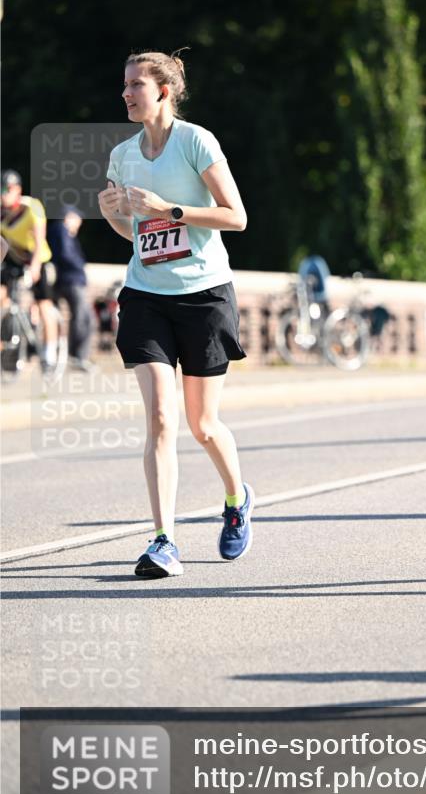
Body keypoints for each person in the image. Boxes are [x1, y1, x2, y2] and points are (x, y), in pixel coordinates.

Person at [98, 49, 253, 580]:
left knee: (202, 424)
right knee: (161, 417)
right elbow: (137, 236)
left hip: (204, 295)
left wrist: (170, 209)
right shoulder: (122, 155)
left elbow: (236, 216)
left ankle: (236, 498)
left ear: (163, 91)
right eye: (125, 84)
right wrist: (115, 217)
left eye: (135, 84)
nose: (126, 93)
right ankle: (163, 540)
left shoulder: (195, 141)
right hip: (145, 294)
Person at [1, 169, 60, 371]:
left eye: (6, 190)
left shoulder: (32, 206)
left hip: (38, 258)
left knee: (43, 305)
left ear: (17, 190)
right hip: (15, 259)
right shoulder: (2, 212)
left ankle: (49, 354)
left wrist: (34, 267)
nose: (3, 195)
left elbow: (39, 239)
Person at [47, 207, 94, 371]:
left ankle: (75, 356)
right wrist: (80, 266)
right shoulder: (62, 230)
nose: (79, 224)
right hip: (71, 280)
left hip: (66, 279)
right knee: (84, 318)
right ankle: (78, 357)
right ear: (69, 217)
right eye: (78, 220)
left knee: (78, 317)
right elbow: (65, 255)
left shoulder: (58, 230)